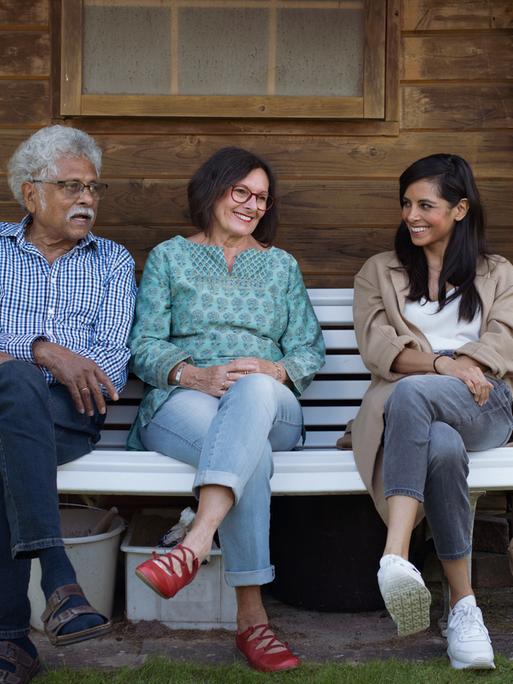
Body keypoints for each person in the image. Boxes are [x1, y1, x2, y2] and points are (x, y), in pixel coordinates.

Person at [127, 146, 325, 672]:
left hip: (271, 405)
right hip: (184, 400)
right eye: (242, 192)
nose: (252, 205)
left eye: (261, 197)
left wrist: (273, 369)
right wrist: (195, 374)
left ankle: (194, 541)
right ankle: (253, 622)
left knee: (254, 390)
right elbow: (144, 345)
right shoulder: (170, 257)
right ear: (213, 190)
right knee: (248, 455)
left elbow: (309, 349)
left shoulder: (280, 266)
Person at [351, 153, 513, 670]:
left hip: (487, 406)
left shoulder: (498, 273)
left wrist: (465, 368)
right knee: (438, 441)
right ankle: (465, 611)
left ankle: (395, 553)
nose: (412, 215)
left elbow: (504, 342)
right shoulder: (380, 271)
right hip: (417, 415)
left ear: (460, 209)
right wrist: (444, 363)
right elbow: (379, 349)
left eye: (426, 205)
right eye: (406, 204)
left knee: (412, 392)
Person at [0, 125, 136, 683]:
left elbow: (106, 365)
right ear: (30, 193)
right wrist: (42, 352)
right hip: (15, 407)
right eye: (71, 186)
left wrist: (19, 360)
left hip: (71, 416)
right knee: (18, 390)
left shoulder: (113, 262)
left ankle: (13, 638)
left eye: (93, 188)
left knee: (17, 391)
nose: (86, 199)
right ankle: (58, 584)